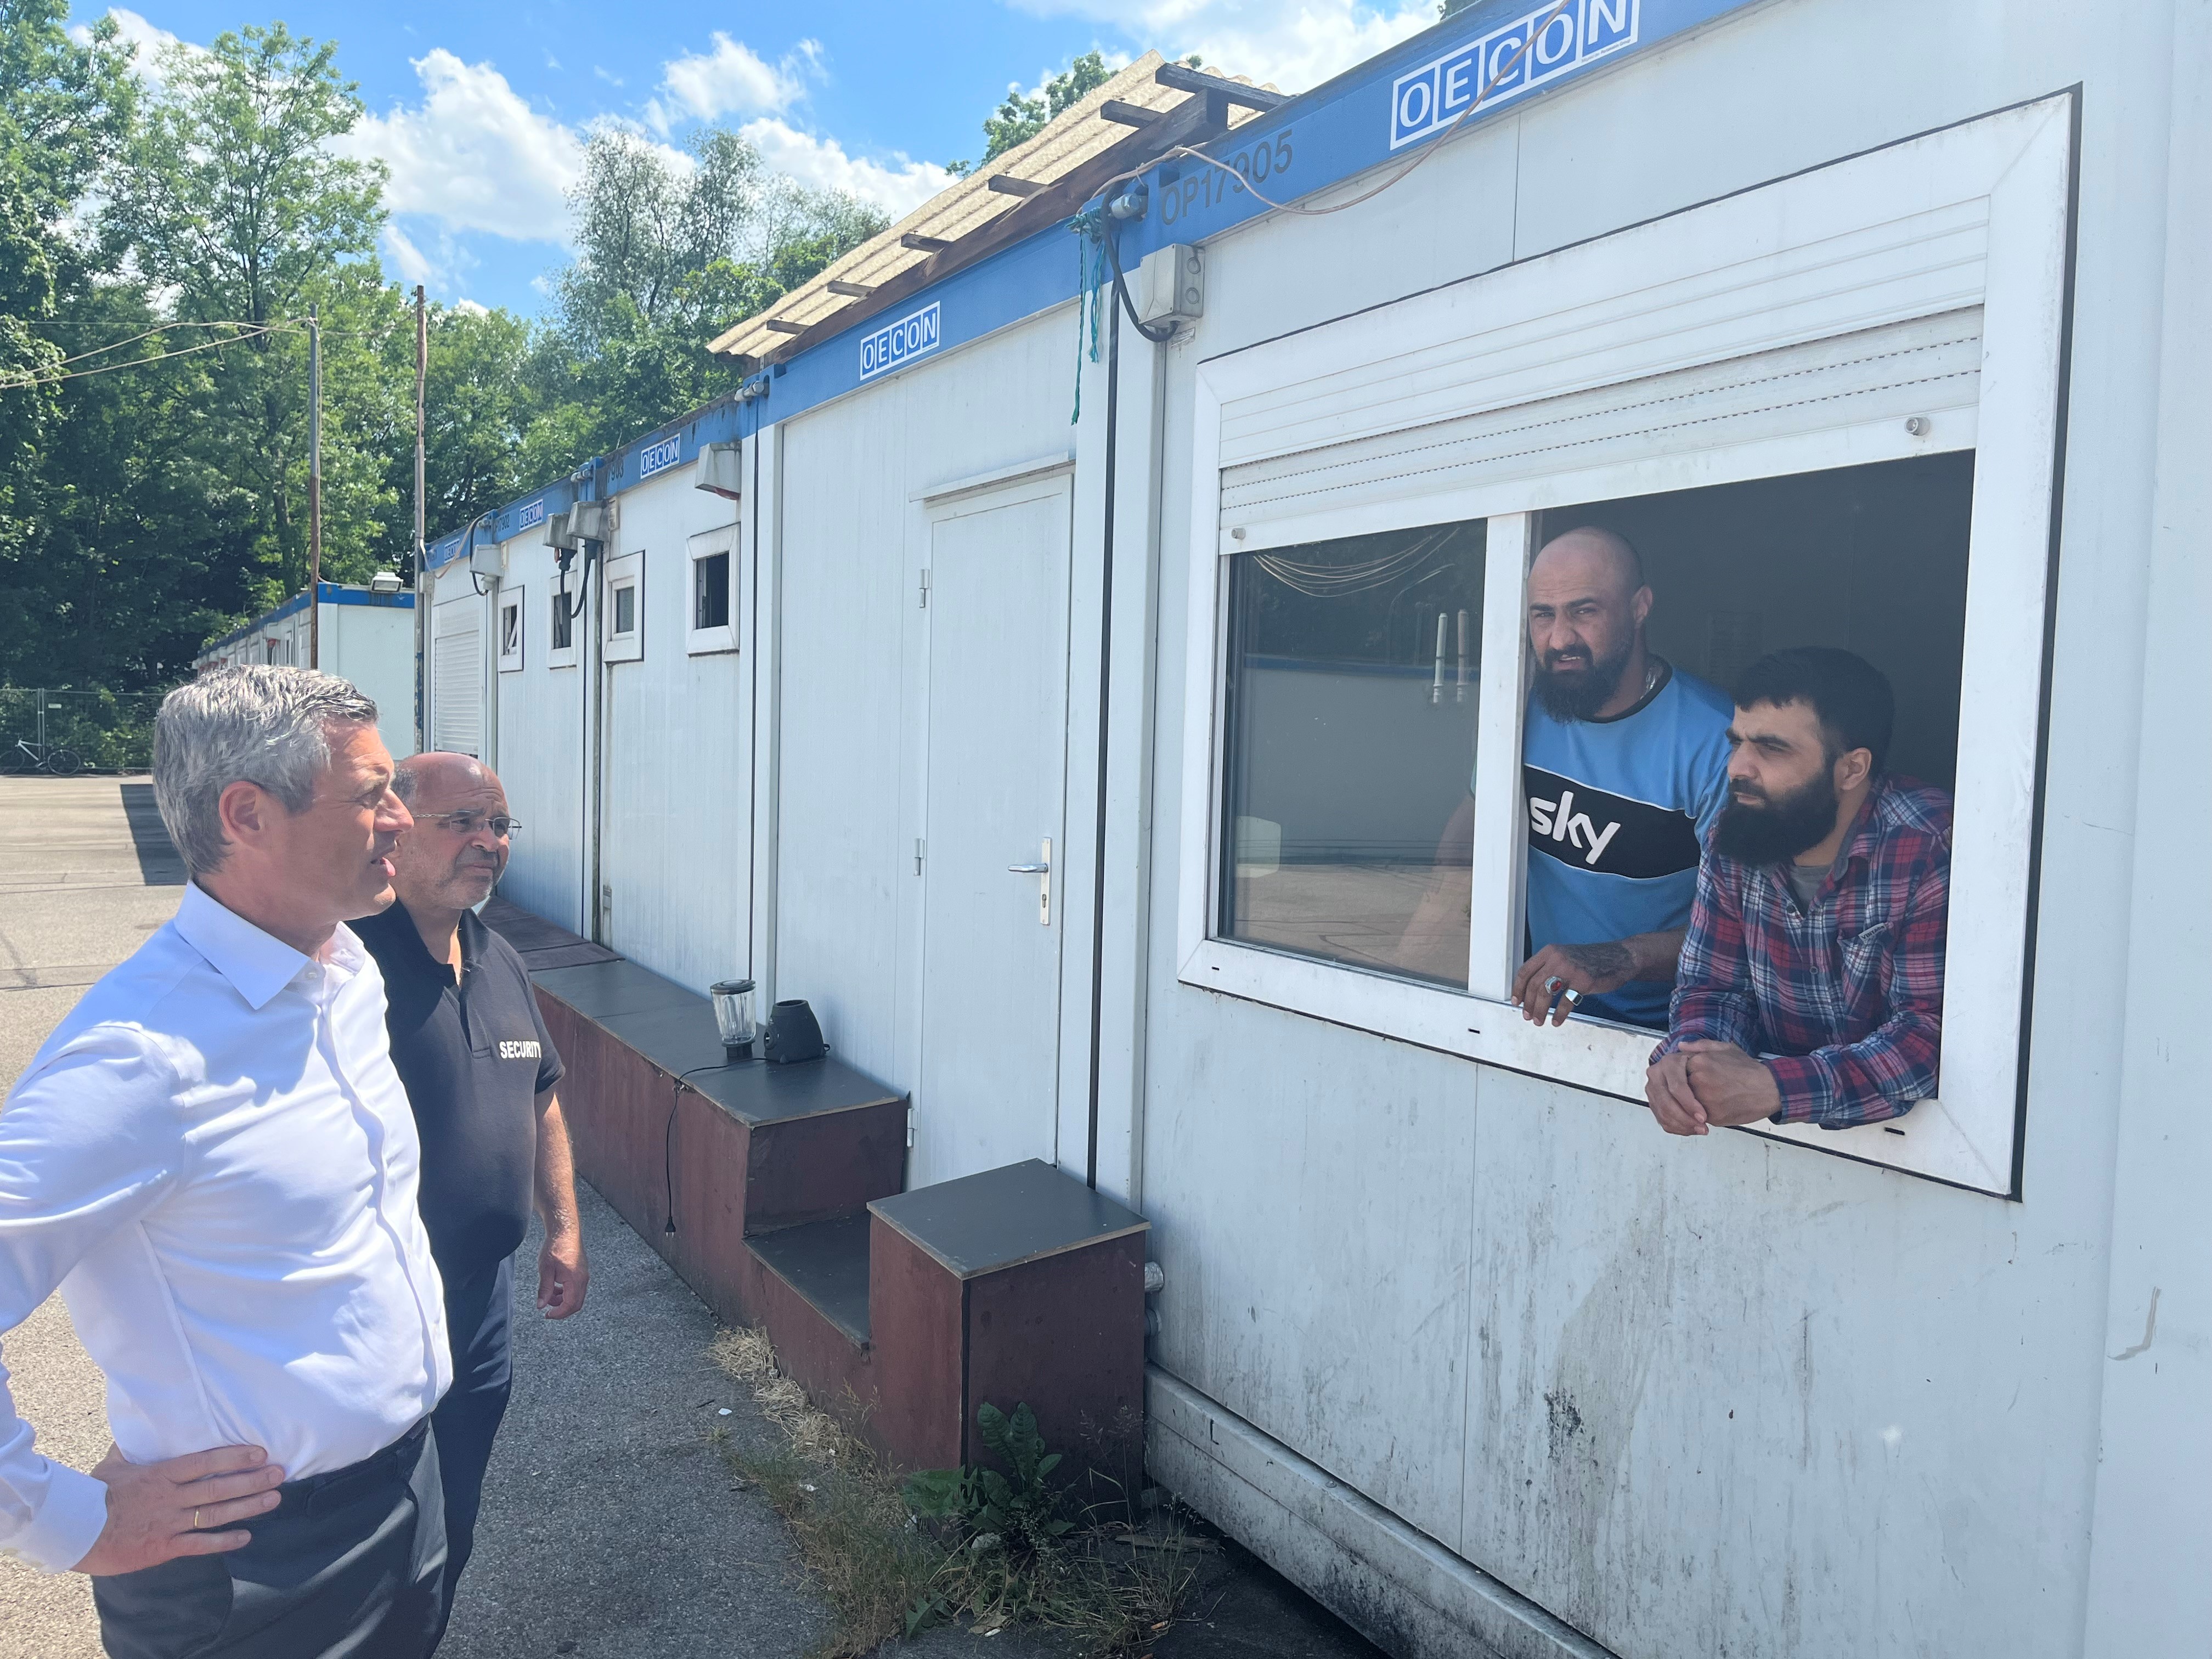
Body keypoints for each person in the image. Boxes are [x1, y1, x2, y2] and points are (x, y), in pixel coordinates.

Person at [0, 666, 452, 1655]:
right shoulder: (140, 1056)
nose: (401, 822)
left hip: (406, 1489)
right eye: (371, 794)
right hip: (255, 1565)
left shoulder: (342, 967)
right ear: (246, 813)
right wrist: (68, 1518)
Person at [350, 752, 586, 1641]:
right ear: (395, 831)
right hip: (372, 1322)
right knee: (372, 1541)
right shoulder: (345, 975)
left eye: (500, 824)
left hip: (477, 1313)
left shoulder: (498, 960)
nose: (488, 841)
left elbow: (542, 1097)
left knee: (453, 1528)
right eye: (463, 822)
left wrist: (564, 1227)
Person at [1645, 648, 1952, 1136]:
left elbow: (1930, 1038)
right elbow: (1713, 987)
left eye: (1771, 748)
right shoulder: (1740, 828)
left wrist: (1776, 1086)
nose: (1738, 768)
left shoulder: (1928, 846)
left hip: (1918, 1156)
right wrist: (1692, 1062)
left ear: (1852, 769)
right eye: (1737, 743)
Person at [1507, 527, 1734, 1027]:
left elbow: (1751, 928)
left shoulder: (1719, 740)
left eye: (1584, 611)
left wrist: (1619, 957)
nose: (1560, 639)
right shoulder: (1520, 706)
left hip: (1666, 1031)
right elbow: (1468, 838)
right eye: (1543, 615)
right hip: (1536, 1010)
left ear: (1639, 607)